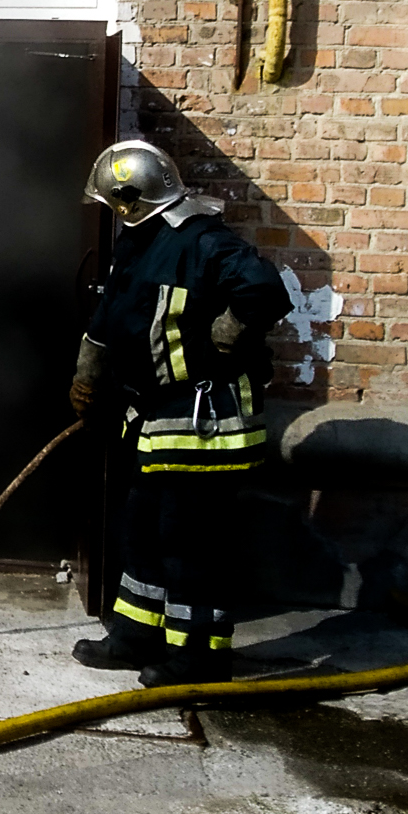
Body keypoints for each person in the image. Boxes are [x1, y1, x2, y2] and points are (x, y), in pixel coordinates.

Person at [68, 139, 290, 687]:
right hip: (152, 419)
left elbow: (265, 291)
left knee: (189, 544)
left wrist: (226, 331)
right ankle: (136, 637)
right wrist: (86, 376)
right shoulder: (138, 243)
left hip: (202, 422)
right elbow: (110, 316)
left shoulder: (203, 240)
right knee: (140, 532)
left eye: (112, 203)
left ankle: (200, 658)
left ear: (130, 199)